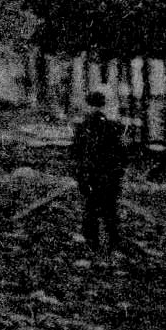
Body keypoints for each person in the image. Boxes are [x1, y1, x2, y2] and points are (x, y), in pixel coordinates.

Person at [70, 91, 129, 252]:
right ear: (103, 105)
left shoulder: (82, 128)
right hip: (109, 177)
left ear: (87, 106)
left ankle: (93, 244)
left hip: (90, 177)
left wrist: (79, 176)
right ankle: (113, 243)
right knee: (110, 211)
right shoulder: (114, 127)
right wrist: (118, 174)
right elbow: (123, 155)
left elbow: (75, 155)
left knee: (91, 210)